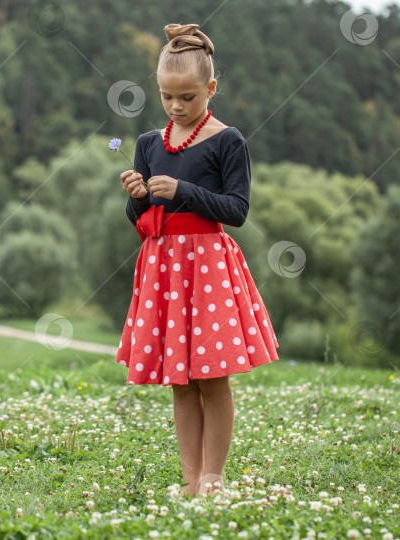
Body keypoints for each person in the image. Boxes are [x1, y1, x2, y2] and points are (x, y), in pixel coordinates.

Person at [116, 23, 279, 496]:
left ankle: (213, 475)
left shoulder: (229, 141)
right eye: (167, 97)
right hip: (163, 266)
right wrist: (137, 197)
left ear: (210, 88)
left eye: (187, 97)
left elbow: (238, 210)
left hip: (207, 265)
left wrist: (185, 191)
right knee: (181, 381)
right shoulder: (150, 143)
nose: (176, 106)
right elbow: (141, 218)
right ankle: (190, 479)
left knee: (212, 377)